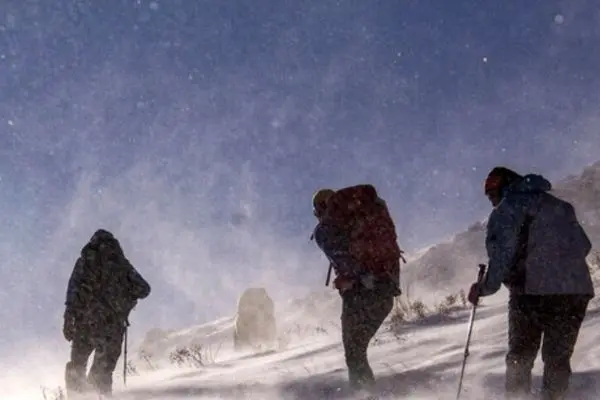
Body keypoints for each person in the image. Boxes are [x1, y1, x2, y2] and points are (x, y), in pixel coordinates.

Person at [467, 167, 595, 400]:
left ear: (506, 187)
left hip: (532, 292)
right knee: (557, 359)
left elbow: (502, 256)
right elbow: (584, 246)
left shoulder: (507, 209)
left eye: (493, 194)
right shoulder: (561, 206)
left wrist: (483, 288)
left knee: (520, 356)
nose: (492, 201)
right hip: (575, 291)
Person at [311, 185, 403, 391]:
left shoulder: (325, 230)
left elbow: (347, 263)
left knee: (354, 353)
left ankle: (364, 395)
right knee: (357, 351)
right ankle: (367, 393)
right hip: (385, 291)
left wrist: (354, 279)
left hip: (360, 295)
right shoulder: (362, 219)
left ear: (320, 209)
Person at [63, 229, 151, 397]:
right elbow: (144, 289)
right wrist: (125, 297)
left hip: (85, 323)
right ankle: (98, 395)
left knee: (77, 365)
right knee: (102, 372)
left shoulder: (85, 262)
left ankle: (76, 396)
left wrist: (69, 318)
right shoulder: (122, 265)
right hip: (111, 326)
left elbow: (72, 292)